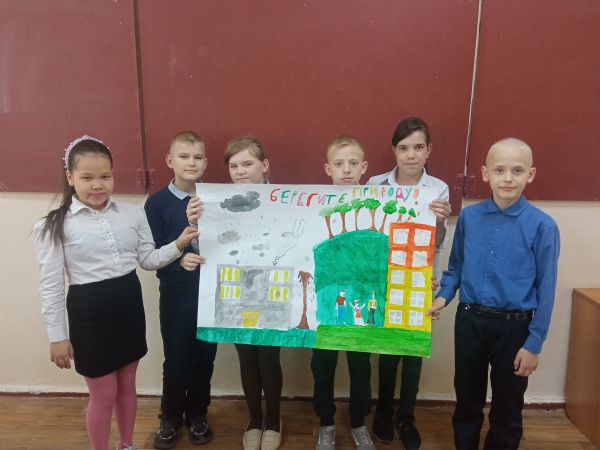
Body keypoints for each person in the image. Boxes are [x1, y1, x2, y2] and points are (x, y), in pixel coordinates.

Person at [33, 136, 198, 450]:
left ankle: (127, 444)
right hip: (89, 315)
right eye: (87, 177)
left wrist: (178, 244)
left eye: (105, 176)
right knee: (103, 393)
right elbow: (51, 285)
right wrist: (57, 336)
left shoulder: (132, 214)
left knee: (127, 387)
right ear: (70, 177)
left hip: (128, 306)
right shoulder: (54, 225)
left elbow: (148, 260)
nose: (98, 185)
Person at [427, 138, 560, 450]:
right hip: (470, 321)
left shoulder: (543, 226)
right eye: (499, 170)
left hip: (515, 328)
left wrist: (534, 343)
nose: (508, 178)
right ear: (485, 173)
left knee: (508, 406)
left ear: (531, 174)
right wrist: (443, 297)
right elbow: (456, 266)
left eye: (517, 170)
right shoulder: (470, 218)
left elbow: (547, 289)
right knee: (467, 399)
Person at [187, 137, 283, 450]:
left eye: (247, 163)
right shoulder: (218, 203)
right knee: (246, 356)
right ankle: (254, 418)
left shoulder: (285, 199)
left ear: (264, 165)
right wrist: (196, 223)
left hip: (272, 288)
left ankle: (273, 420)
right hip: (236, 289)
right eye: (233, 166)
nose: (240, 171)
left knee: (268, 356)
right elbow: (206, 248)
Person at [367, 117, 451, 450]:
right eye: (404, 148)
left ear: (428, 150)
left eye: (418, 147)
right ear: (394, 151)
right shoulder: (376, 184)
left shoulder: (438, 188)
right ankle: (384, 410)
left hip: (419, 278)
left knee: (414, 351)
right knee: (388, 349)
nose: (411, 155)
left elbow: (437, 241)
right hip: (384, 277)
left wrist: (441, 221)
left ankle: (407, 416)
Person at [144, 131, 218, 448]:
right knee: (176, 359)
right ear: (169, 160)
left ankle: (198, 414)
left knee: (205, 358)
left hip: (212, 295)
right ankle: (170, 415)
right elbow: (150, 255)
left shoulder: (216, 198)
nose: (191, 162)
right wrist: (179, 260)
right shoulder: (157, 203)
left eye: (197, 157)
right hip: (176, 294)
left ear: (206, 162)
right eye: (184, 156)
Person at [313, 135, 376, 450]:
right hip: (325, 301)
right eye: (339, 164)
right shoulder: (313, 204)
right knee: (322, 367)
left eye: (353, 163)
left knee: (360, 368)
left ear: (364, 167)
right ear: (328, 169)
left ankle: (358, 422)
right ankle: (326, 423)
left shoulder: (373, 203)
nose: (346, 169)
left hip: (360, 299)